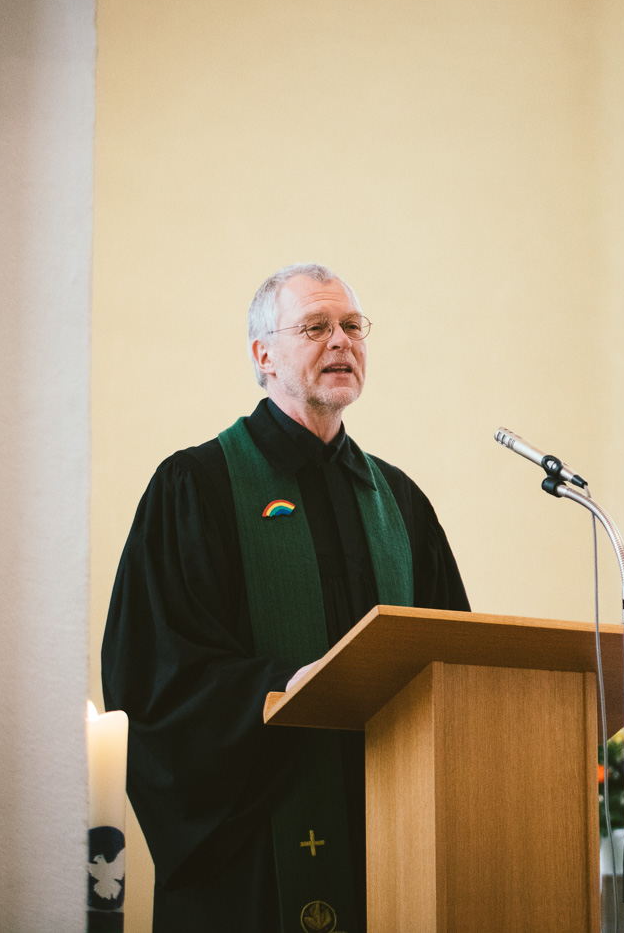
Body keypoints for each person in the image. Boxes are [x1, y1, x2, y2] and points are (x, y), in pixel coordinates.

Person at [102, 263, 470, 932]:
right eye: (316, 327)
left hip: (389, 833)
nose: (341, 342)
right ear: (263, 356)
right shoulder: (198, 487)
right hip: (255, 845)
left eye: (353, 327)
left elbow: (452, 655)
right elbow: (155, 675)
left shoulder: (400, 503)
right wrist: (284, 687)